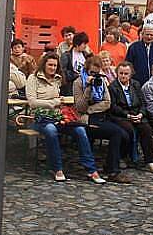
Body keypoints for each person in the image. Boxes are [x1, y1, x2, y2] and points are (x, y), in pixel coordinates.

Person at [26, 52, 106, 183]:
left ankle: (91, 170)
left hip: (58, 116)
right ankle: (57, 168)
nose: (52, 68)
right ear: (44, 65)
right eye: (50, 65)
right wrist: (54, 102)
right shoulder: (33, 78)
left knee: (80, 130)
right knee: (51, 131)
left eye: (55, 65)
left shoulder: (58, 79)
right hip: (40, 117)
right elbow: (32, 102)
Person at [72, 56, 130, 183]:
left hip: (100, 116)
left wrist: (91, 109)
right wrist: (88, 88)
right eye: (92, 73)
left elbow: (107, 102)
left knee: (125, 134)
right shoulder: (78, 83)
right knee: (116, 133)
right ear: (86, 70)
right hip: (87, 119)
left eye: (97, 73)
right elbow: (80, 107)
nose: (94, 76)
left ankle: (110, 164)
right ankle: (113, 171)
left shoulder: (101, 81)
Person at [109, 61, 153, 174]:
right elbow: (113, 107)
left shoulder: (136, 84)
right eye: (121, 73)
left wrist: (141, 114)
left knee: (146, 129)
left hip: (136, 113)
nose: (123, 76)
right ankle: (123, 156)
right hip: (121, 116)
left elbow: (143, 103)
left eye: (126, 73)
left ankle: (150, 161)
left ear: (131, 74)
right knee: (128, 130)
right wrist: (127, 115)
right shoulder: (113, 87)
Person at [59, 31, 93, 96]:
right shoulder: (66, 56)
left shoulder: (86, 55)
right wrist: (77, 75)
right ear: (77, 44)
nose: (85, 46)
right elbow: (63, 72)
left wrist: (90, 55)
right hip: (71, 88)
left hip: (84, 87)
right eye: (84, 44)